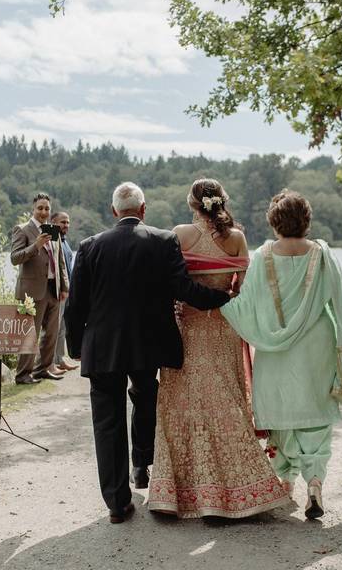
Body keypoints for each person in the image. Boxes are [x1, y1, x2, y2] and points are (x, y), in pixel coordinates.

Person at [65, 182, 230, 524]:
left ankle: (117, 503)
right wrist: (223, 298)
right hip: (148, 344)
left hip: (103, 349)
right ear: (143, 210)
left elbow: (75, 306)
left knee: (107, 420)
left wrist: (76, 348)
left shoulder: (88, 247)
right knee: (145, 398)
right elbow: (183, 289)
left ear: (114, 212)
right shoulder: (162, 240)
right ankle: (141, 465)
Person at [148, 178, 291, 518]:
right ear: (221, 201)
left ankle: (178, 493)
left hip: (188, 330)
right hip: (223, 327)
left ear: (192, 203)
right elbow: (240, 290)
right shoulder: (237, 238)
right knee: (227, 401)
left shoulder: (179, 234)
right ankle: (239, 489)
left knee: (180, 405)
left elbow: (171, 282)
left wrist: (179, 304)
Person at [220, 190, 342, 520]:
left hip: (275, 350)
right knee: (315, 418)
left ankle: (283, 481)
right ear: (307, 220)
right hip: (316, 346)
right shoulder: (323, 255)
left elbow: (247, 304)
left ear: (274, 223)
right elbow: (340, 304)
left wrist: (220, 301)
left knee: (281, 415)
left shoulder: (262, 256)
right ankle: (314, 483)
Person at [10, 193, 69, 384]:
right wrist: (36, 246)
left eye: (47, 208)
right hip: (31, 292)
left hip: (53, 289)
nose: (43, 212)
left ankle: (42, 369)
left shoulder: (54, 231)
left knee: (51, 333)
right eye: (40, 208)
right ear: (33, 209)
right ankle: (22, 375)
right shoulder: (22, 230)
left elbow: (60, 262)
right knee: (29, 335)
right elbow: (15, 258)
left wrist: (64, 286)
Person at [51, 211, 78, 371]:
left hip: (66, 291)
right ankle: (50, 362)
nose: (66, 225)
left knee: (62, 327)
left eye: (67, 222)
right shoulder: (52, 238)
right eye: (62, 222)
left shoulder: (65, 241)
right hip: (56, 291)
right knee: (54, 327)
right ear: (53, 222)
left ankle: (60, 359)